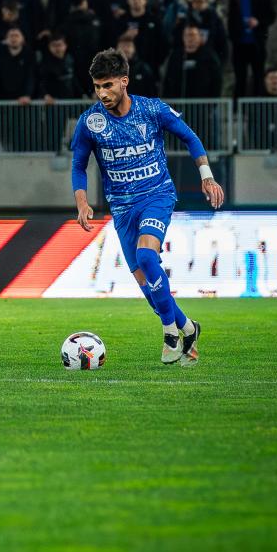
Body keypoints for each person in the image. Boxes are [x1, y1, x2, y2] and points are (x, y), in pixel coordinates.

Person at [71, 48, 225, 365]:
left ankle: (170, 334)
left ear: (124, 81)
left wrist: (207, 176)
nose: (102, 93)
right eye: (97, 86)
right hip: (122, 209)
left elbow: (190, 138)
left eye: (108, 85)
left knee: (146, 255)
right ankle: (188, 328)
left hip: (156, 195)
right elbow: (78, 165)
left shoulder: (151, 110)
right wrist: (82, 202)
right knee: (151, 292)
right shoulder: (90, 122)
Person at [227, 0, 276, 97]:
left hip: (257, 43)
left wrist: (258, 22)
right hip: (239, 44)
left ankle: (256, 105)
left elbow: (271, 16)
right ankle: (237, 107)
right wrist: (234, 36)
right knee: (240, 78)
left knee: (258, 76)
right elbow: (231, 20)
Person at [163, 23, 223, 98]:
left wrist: (213, 101)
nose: (190, 38)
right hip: (178, 102)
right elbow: (168, 81)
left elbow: (216, 81)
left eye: (192, 35)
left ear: (199, 37)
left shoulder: (209, 57)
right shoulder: (175, 56)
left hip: (204, 102)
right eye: (186, 35)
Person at [118, 0, 169, 71]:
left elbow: (164, 44)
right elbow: (111, 42)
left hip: (151, 66)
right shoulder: (121, 20)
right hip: (125, 68)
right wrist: (125, 36)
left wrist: (156, 63)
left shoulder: (155, 20)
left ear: (145, 0)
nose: (136, 1)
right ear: (128, 0)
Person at [39, 32, 81, 101]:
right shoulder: (45, 64)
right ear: (49, 47)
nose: (57, 48)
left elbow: (76, 80)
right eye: (54, 45)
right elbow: (41, 82)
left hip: (72, 100)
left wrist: (84, 94)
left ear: (65, 45)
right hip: (54, 103)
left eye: (59, 45)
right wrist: (45, 95)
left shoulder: (71, 59)